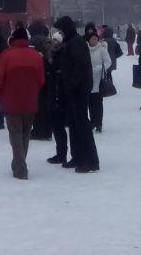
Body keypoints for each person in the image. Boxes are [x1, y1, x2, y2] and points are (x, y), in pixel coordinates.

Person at [0, 26, 45, 180]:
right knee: (25, 133)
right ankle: (19, 161)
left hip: (11, 100)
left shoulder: (6, 55)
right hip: (30, 101)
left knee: (15, 134)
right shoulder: (36, 56)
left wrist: (2, 94)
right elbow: (41, 80)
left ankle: (20, 167)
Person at [55, 16, 99, 173]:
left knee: (81, 125)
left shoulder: (76, 43)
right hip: (74, 89)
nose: (59, 33)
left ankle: (90, 160)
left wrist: (72, 84)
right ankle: (77, 157)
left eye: (60, 30)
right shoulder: (72, 42)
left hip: (78, 90)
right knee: (74, 125)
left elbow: (80, 66)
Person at [44, 31, 70, 166]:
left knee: (58, 126)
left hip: (58, 94)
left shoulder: (60, 55)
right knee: (56, 125)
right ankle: (60, 152)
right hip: (53, 93)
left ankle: (62, 153)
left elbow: (57, 74)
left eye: (55, 40)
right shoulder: (52, 54)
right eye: (52, 40)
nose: (53, 42)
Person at [86, 28, 112, 132]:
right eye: (92, 39)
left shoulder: (102, 49)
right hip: (88, 80)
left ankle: (99, 123)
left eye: (95, 38)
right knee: (90, 103)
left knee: (98, 103)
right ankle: (92, 122)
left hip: (99, 80)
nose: (94, 40)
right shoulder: (86, 49)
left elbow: (108, 62)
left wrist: (100, 68)